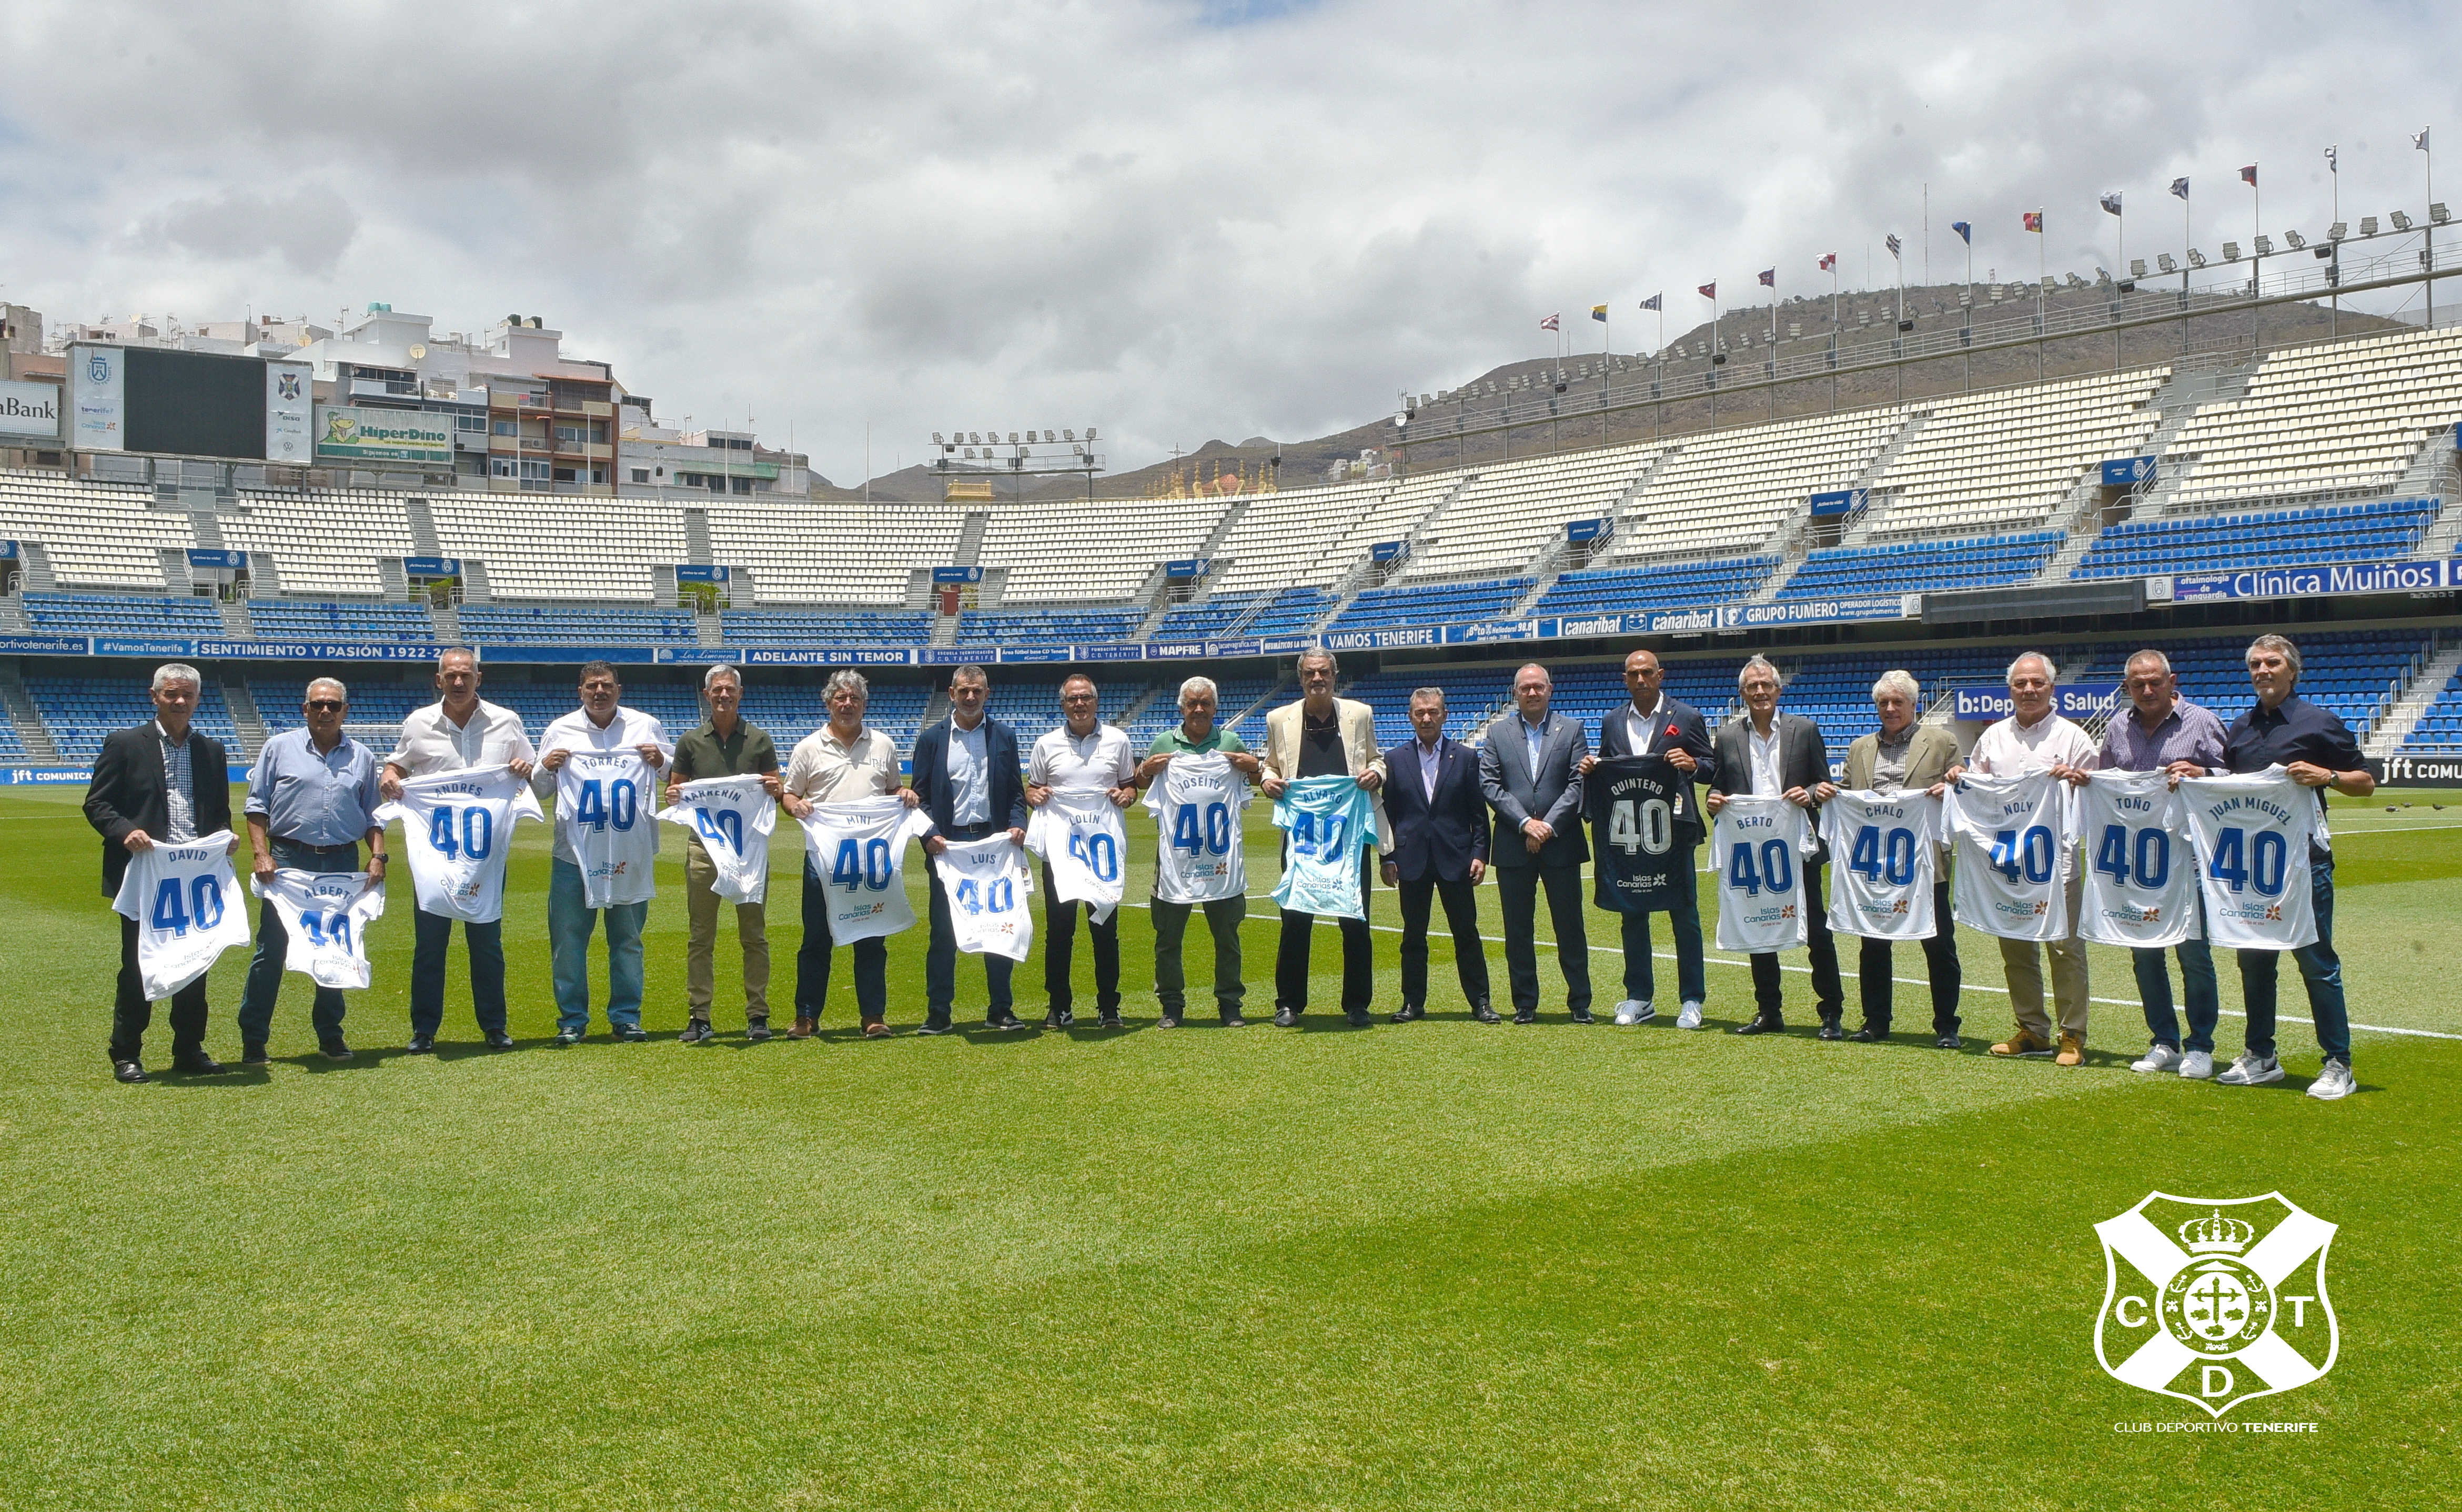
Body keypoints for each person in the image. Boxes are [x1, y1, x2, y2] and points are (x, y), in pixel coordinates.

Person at [2214, 633, 2370, 1101]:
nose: (2263, 671)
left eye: (2273, 663)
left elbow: (2366, 783)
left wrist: (2330, 777)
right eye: (2256, 664)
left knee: (2317, 963)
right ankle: (2261, 1056)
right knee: (2254, 963)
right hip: (2251, 870)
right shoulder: (2239, 729)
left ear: (2292, 670)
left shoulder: (2319, 723)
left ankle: (2339, 1063)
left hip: (2305, 863)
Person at [1945, 651, 2100, 1066]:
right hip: (2007, 865)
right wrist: (1960, 778)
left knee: (2065, 950)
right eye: (2020, 684)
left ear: (2052, 688)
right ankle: (2033, 1030)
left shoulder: (2074, 738)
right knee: (2015, 949)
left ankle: (2073, 1034)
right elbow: (1977, 790)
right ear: (2010, 689)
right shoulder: (1993, 738)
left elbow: (2095, 796)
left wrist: (2077, 780)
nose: (2029, 690)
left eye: (2037, 683)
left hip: (2057, 865)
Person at [86, 663, 237, 1082]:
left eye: (187, 695)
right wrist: (125, 832)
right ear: (154, 697)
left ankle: (189, 1049)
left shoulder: (212, 750)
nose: (180, 701)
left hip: (194, 878)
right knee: (138, 964)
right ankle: (126, 1053)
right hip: (143, 875)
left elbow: (219, 813)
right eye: (171, 694)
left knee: (195, 962)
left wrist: (225, 838)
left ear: (198, 699)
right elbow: (97, 804)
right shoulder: (125, 744)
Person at [381, 647, 536, 1050]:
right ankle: (424, 1030)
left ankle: (495, 1026)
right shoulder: (419, 723)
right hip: (435, 858)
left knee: (487, 947)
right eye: (451, 676)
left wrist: (524, 769)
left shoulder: (507, 721)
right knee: (429, 947)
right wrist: (389, 777)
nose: (458, 682)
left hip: (486, 858)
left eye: (466, 675)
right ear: (439, 680)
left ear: (478, 679)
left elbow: (529, 769)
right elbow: (398, 765)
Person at [2093, 650, 2228, 1078]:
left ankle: (2201, 1045)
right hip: (2137, 864)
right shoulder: (2118, 727)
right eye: (2138, 684)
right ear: (2127, 687)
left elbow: (2237, 778)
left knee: (2194, 956)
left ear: (2173, 681)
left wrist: (2203, 775)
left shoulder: (2202, 722)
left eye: (2155, 682)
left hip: (2190, 860)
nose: (2147, 691)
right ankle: (2164, 1041)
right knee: (2145, 955)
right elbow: (2106, 783)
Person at [236, 678, 386, 1062]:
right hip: (288, 861)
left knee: (335, 946)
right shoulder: (279, 748)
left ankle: (330, 1035)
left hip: (340, 862)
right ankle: (254, 1039)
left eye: (334, 705)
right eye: (318, 704)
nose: (325, 711)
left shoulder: (363, 757)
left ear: (345, 711)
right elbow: (257, 807)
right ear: (305, 709)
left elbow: (374, 815)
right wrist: (260, 853)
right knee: (272, 950)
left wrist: (378, 856)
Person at [1814, 671, 1964, 1048]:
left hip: (1925, 862)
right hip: (1874, 865)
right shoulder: (1860, 748)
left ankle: (1947, 1024)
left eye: (1898, 702)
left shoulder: (1943, 741)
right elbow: (1847, 795)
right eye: (1884, 703)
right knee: (1874, 944)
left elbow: (1962, 791)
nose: (1891, 709)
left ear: (1915, 705)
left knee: (1939, 943)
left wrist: (1950, 787)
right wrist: (1829, 792)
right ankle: (1876, 1020)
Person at [533, 662, 671, 1046]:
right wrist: (545, 767)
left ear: (619, 689)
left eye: (606, 685)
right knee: (568, 940)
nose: (599, 691)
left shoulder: (645, 726)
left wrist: (660, 761)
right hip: (573, 855)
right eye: (592, 686)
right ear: (581, 692)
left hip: (630, 852)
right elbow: (539, 788)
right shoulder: (560, 730)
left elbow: (672, 774)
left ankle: (627, 1017)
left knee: (627, 939)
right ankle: (572, 1020)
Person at [1705, 656, 1841, 1036]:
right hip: (1750, 846)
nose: (1760, 692)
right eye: (1753, 687)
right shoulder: (1729, 735)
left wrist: (1810, 794)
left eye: (1767, 685)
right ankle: (1769, 1010)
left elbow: (1824, 784)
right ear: (1743, 693)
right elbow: (1719, 784)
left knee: (1816, 928)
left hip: (1796, 846)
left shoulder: (1806, 729)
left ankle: (1831, 1011)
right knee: (1757, 926)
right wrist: (1713, 799)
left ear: (1779, 690)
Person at [1580, 647, 1715, 1026]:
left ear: (1661, 675)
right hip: (1628, 835)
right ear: (1625, 679)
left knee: (1684, 914)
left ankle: (1692, 999)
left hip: (1674, 832)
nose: (1640, 679)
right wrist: (1593, 767)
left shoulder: (1687, 717)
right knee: (1632, 914)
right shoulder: (1611, 721)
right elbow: (1609, 767)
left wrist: (1692, 764)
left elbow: (1711, 767)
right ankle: (1639, 996)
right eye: (1633, 674)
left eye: (1647, 673)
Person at [1257, 649, 1386, 1027]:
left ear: (1334, 675)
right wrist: (1267, 780)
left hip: (1349, 834)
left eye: (1324, 673)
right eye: (1311, 673)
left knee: (1355, 919)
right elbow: (1270, 764)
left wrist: (1376, 775)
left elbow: (1377, 759)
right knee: (1296, 918)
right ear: (1301, 679)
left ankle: (1358, 1003)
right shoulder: (1278, 718)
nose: (1318, 679)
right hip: (1302, 836)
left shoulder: (1359, 714)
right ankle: (1289, 1003)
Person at [780, 670, 910, 1037]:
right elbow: (789, 795)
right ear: (829, 703)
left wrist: (903, 796)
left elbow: (893, 791)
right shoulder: (808, 748)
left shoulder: (883, 745)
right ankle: (806, 1016)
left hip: (870, 863)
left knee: (871, 938)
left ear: (865, 704)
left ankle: (873, 1016)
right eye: (841, 698)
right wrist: (796, 806)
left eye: (854, 698)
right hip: (823, 861)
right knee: (816, 940)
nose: (847, 704)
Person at [665, 663, 784, 1043]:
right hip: (704, 851)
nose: (723, 696)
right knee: (701, 935)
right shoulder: (690, 742)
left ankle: (758, 1014)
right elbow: (676, 787)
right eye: (717, 690)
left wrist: (774, 789)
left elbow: (777, 788)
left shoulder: (760, 741)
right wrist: (673, 796)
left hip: (748, 852)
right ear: (707, 695)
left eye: (729, 690)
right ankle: (700, 1016)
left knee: (754, 935)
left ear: (740, 693)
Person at [1134, 676, 1263, 1027]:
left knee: (1228, 938)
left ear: (1215, 707)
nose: (1199, 709)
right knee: (1168, 939)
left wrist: (1250, 765)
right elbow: (1139, 781)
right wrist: (1147, 769)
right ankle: (1172, 1005)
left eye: (1205, 703)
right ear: (1182, 708)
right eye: (1192, 703)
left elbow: (1258, 779)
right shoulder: (1164, 743)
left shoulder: (1230, 742)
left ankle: (1230, 1004)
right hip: (1176, 864)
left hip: (1221, 863)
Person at [910, 664, 1031, 1033]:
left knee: (999, 927)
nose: (970, 697)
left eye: (977, 691)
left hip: (995, 846)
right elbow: (921, 797)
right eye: (964, 691)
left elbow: (1015, 793)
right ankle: (939, 1012)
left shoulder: (1004, 736)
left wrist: (1018, 824)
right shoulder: (932, 739)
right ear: (952, 693)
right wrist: (928, 835)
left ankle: (1001, 1008)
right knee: (943, 932)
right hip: (950, 848)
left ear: (987, 694)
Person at [1478, 664, 1592, 1024]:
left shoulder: (1572, 730)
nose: (1532, 693)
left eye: (1538, 687)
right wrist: (1527, 824)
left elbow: (1577, 784)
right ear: (1516, 693)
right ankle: (1525, 1003)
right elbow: (1491, 785)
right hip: (1514, 843)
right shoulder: (1498, 733)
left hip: (1561, 843)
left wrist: (1547, 828)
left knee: (1569, 927)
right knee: (1518, 930)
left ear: (1550, 689)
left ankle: (1580, 1002)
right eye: (1525, 688)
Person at [1026, 673, 1138, 1029]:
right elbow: (1032, 789)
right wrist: (1034, 797)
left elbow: (1129, 787)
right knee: (1059, 932)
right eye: (1072, 699)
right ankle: (1059, 1006)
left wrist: (1127, 796)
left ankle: (1109, 1007)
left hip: (1102, 854)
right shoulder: (1046, 744)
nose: (1079, 704)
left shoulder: (1118, 741)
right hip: (1060, 854)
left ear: (1096, 701)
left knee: (1105, 929)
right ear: (1063, 704)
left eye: (1085, 697)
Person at [1381, 687, 1493, 1022]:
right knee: (1413, 936)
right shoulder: (1394, 760)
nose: (1426, 718)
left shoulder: (1467, 757)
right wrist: (1387, 857)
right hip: (1410, 860)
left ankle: (1481, 1002)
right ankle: (1413, 1003)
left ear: (1445, 715)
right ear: (1410, 716)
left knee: (1466, 934)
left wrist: (1480, 854)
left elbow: (1479, 813)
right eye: (1420, 713)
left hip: (1455, 859)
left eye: (1433, 712)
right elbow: (1388, 812)